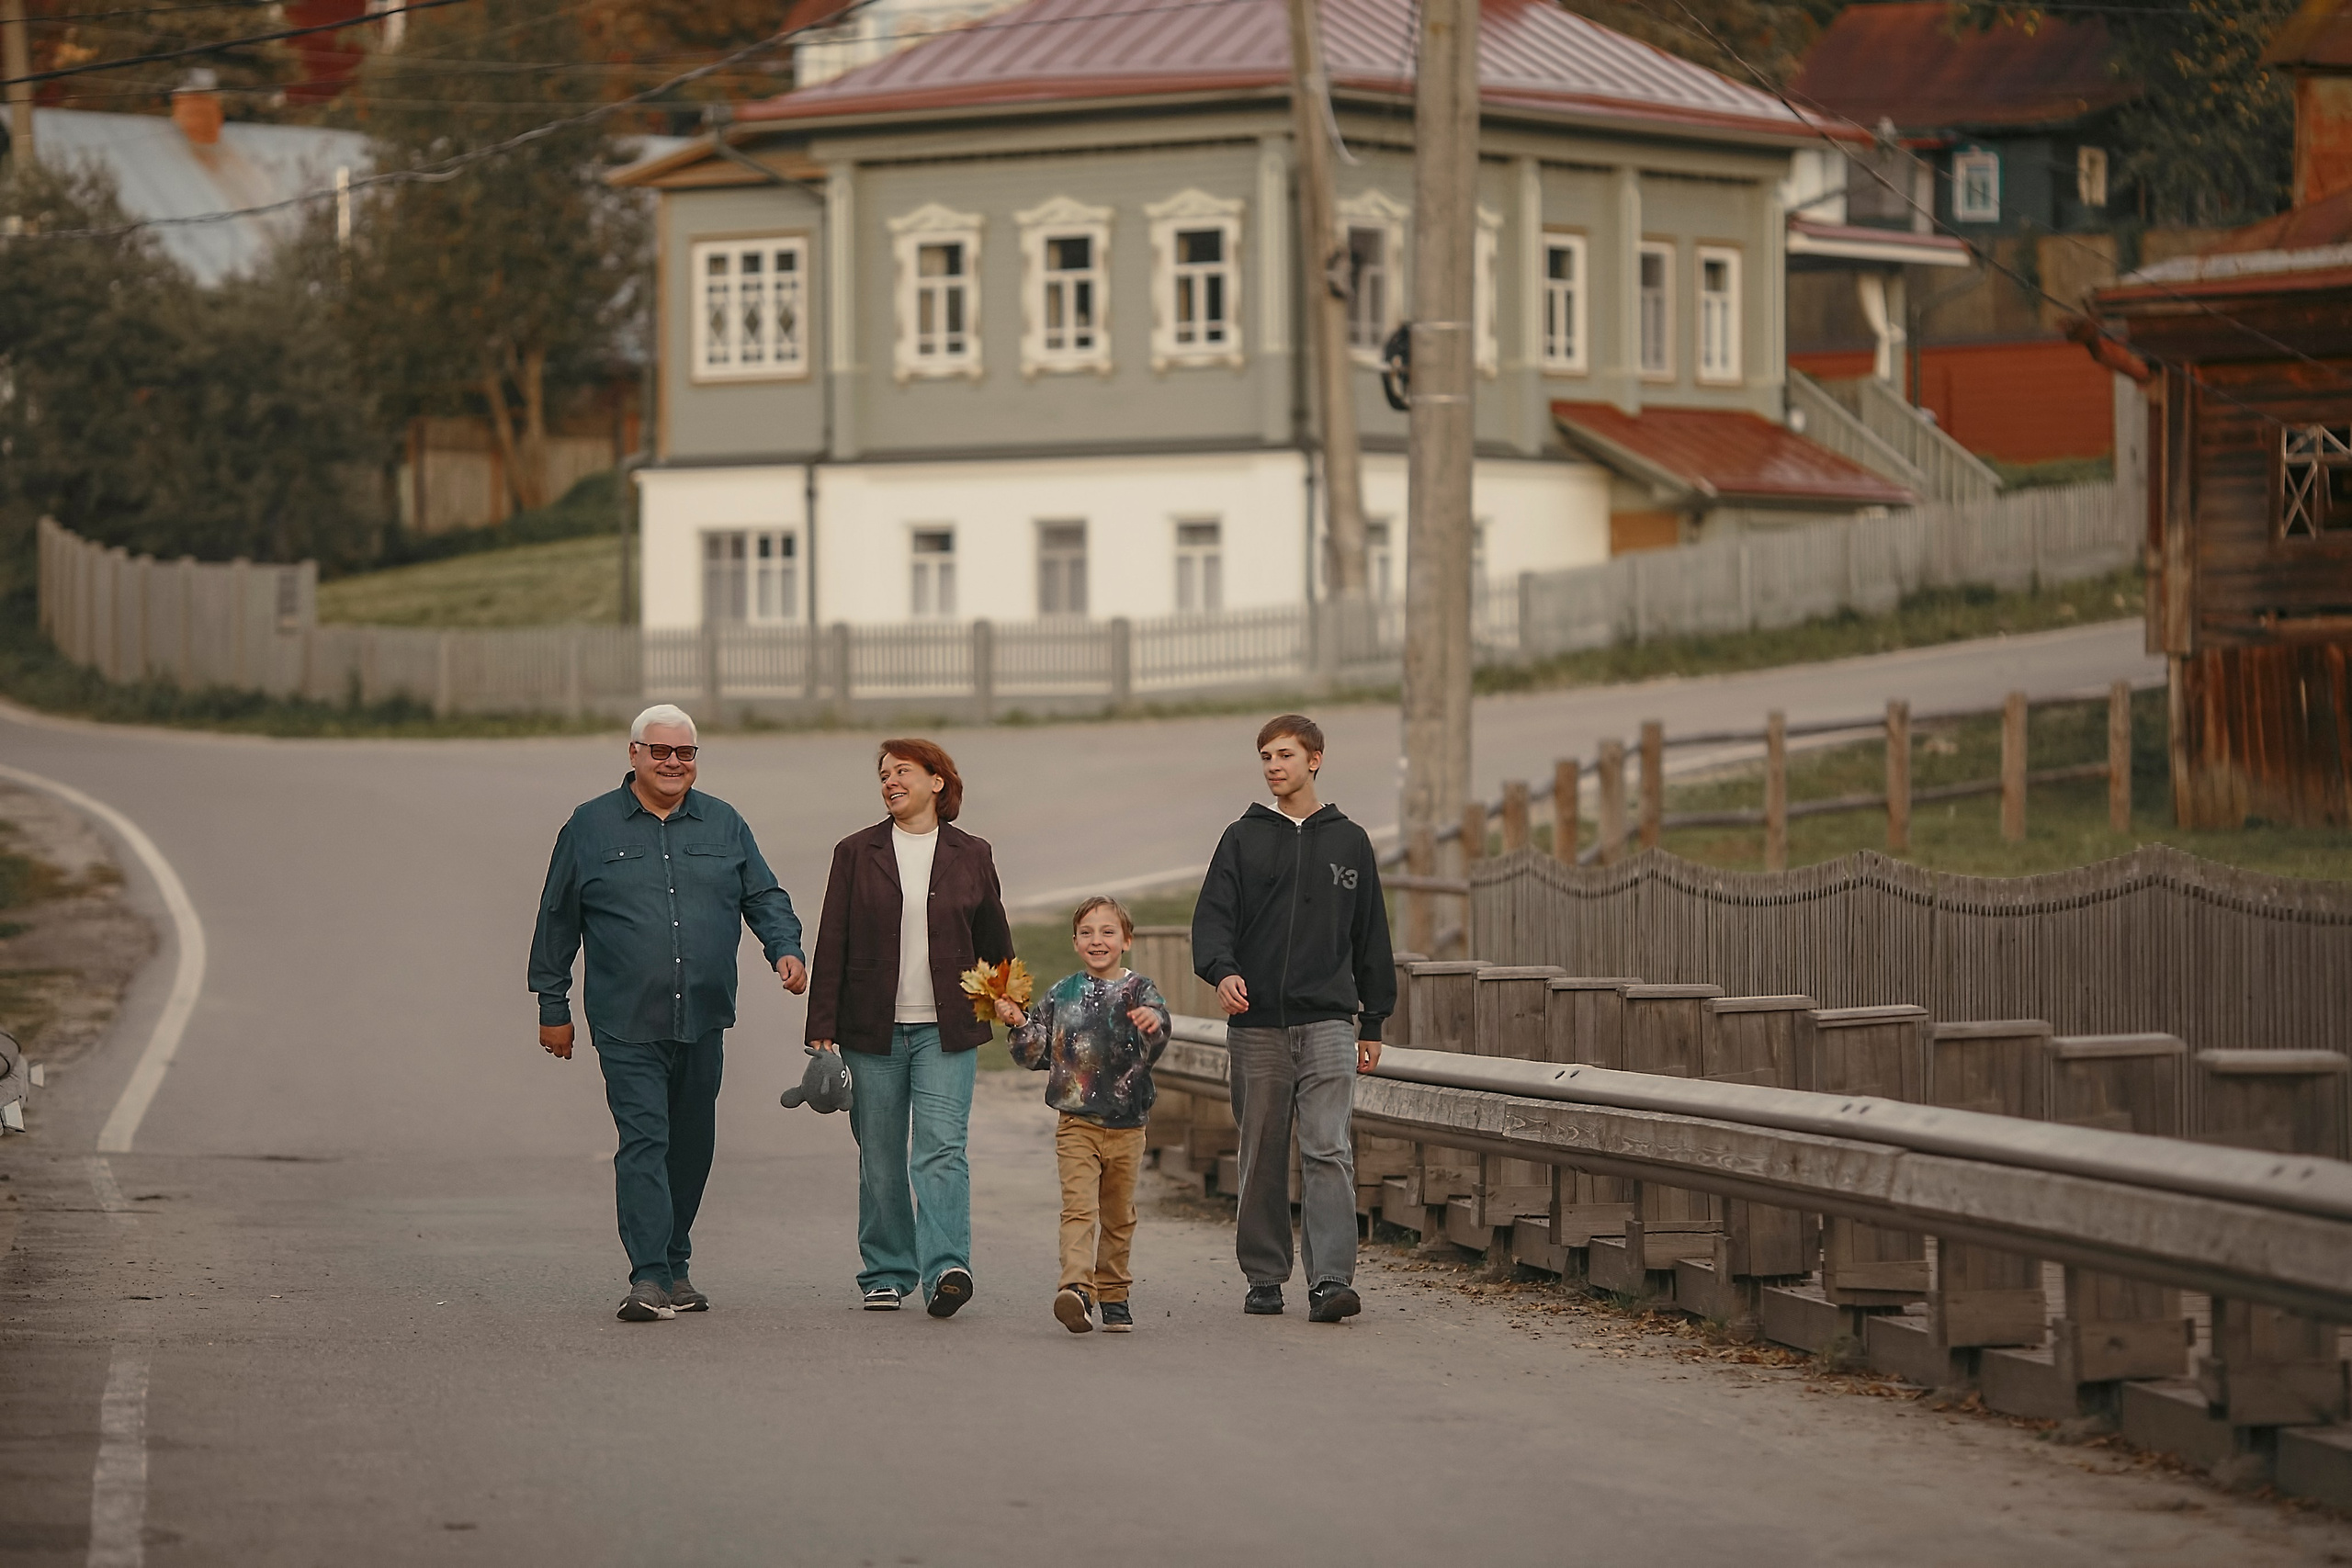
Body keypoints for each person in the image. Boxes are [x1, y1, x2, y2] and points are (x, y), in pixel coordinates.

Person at [529, 703, 807, 1324]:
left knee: (691, 1144)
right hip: (625, 1019)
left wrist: (784, 948)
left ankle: (676, 1263)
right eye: (660, 751)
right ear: (634, 754)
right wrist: (553, 1004)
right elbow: (557, 919)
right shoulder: (590, 826)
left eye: (685, 753)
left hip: (704, 1016)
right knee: (645, 1139)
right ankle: (649, 1275)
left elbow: (764, 894)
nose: (673, 763)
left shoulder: (725, 823)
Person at [1191, 714, 1395, 1324]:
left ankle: (1330, 1280)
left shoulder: (1349, 841)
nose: (1273, 766)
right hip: (1257, 1025)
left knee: (1328, 1148)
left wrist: (1373, 1021)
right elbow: (1212, 918)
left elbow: (1370, 934)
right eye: (1266, 757)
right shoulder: (1241, 838)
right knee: (1261, 1152)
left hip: (1329, 1021)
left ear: (1315, 759)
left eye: (1284, 754)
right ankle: (1264, 1275)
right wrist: (1222, 971)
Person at [805, 739, 1012, 1317]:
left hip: (948, 1030)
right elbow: (832, 940)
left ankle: (947, 1268)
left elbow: (994, 939)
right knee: (880, 1155)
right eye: (883, 775)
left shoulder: (972, 853)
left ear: (937, 781)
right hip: (871, 1030)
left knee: (942, 1150)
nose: (890, 782)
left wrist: (1007, 1001)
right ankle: (887, 1271)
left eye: (902, 771)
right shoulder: (855, 852)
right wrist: (822, 1027)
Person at [1000, 897, 1171, 1336]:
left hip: (1128, 1125)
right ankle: (1076, 1289)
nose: (1098, 940)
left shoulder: (1140, 991)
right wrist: (1019, 1023)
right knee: (1079, 1209)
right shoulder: (1062, 994)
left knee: (1118, 1214)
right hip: (1076, 1123)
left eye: (1108, 932)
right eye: (1087, 933)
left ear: (1126, 940)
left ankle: (1113, 1293)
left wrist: (1153, 1021)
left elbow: (1159, 1030)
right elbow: (1036, 1054)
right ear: (1075, 942)